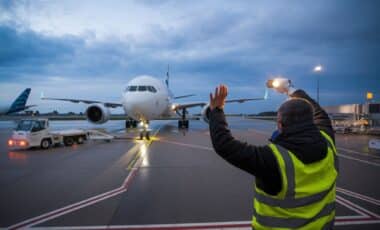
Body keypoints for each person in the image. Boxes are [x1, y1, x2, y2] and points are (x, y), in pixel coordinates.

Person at [208, 83, 338, 230]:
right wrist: (290, 88)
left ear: (280, 125)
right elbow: (320, 113)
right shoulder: (328, 142)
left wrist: (216, 110)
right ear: (311, 120)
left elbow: (224, 145)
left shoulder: (274, 160)